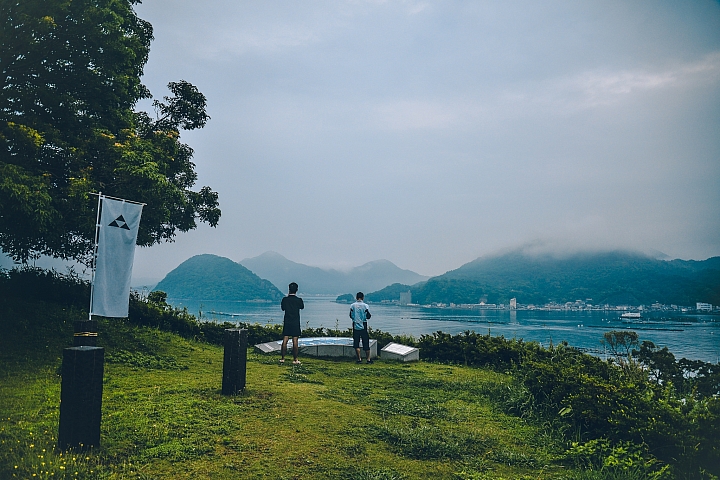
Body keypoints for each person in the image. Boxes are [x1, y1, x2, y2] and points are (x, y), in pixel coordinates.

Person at [280, 282, 304, 365]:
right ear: (296, 290)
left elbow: (283, 308)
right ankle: (295, 359)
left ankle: (283, 358)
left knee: (285, 339)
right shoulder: (299, 300)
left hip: (287, 321)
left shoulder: (285, 300)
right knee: (295, 340)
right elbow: (302, 307)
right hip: (295, 322)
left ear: (289, 289)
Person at [349, 292, 373, 364]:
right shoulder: (366, 306)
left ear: (356, 297)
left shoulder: (352, 306)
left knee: (356, 343)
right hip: (363, 325)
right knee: (366, 342)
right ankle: (368, 359)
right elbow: (368, 316)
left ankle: (359, 359)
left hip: (355, 325)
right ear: (363, 297)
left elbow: (351, 315)